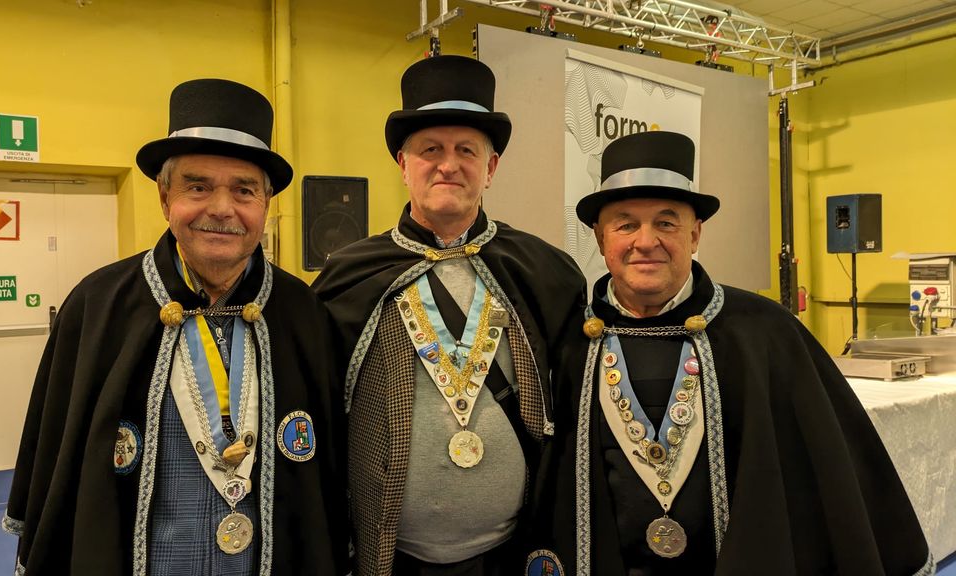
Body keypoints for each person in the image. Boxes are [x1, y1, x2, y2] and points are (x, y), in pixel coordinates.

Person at [523, 130, 933, 576]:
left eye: (666, 223)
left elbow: (830, 470)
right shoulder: (571, 341)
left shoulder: (764, 331)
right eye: (626, 225)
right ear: (601, 239)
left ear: (695, 233)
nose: (646, 241)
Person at [4, 79, 348, 575]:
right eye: (198, 186)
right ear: (165, 198)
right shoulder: (97, 306)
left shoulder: (304, 313)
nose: (222, 209)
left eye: (244, 190)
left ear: (266, 204)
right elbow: (55, 456)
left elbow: (327, 476)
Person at [312, 55, 586, 576]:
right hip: (393, 557)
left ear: (491, 167)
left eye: (466, 150)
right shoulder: (348, 275)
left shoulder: (544, 272)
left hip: (511, 554)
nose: (448, 165)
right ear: (403, 164)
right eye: (431, 149)